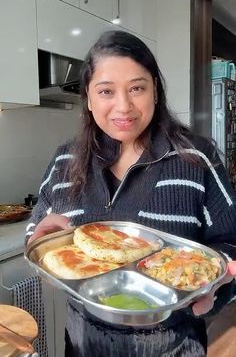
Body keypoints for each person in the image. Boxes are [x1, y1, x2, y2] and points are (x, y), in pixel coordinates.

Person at [26, 30, 236, 357]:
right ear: (88, 98)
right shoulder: (65, 159)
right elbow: (40, 226)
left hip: (174, 346)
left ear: (155, 90)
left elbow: (230, 242)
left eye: (137, 88)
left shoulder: (197, 158)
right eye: (106, 91)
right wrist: (39, 236)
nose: (123, 107)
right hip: (82, 343)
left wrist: (219, 283)